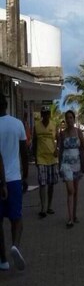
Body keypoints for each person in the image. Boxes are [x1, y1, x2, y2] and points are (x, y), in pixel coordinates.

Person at [0, 92, 28, 271]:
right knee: (16, 218)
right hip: (14, 178)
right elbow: (24, 154)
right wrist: (25, 176)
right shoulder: (17, 124)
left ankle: (3, 259)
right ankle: (15, 245)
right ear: (6, 105)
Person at [58, 110, 84, 228]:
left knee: (75, 191)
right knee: (70, 190)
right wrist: (59, 165)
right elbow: (60, 150)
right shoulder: (62, 133)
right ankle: (70, 218)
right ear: (65, 120)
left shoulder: (78, 132)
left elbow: (83, 147)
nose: (69, 120)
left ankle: (74, 215)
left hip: (77, 164)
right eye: (67, 118)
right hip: (66, 164)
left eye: (71, 118)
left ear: (74, 119)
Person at [32, 106, 59, 218]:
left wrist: (57, 149)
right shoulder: (36, 126)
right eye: (44, 113)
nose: (46, 115)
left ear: (50, 114)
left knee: (51, 184)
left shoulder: (53, 125)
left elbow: (58, 139)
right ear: (42, 114)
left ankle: (49, 206)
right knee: (42, 183)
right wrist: (35, 158)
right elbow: (34, 142)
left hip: (52, 158)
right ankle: (43, 208)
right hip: (41, 158)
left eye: (48, 113)